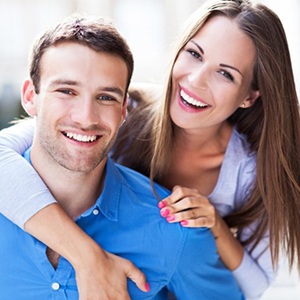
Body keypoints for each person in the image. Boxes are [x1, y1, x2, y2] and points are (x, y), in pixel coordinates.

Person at [1, 0, 300, 299]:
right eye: (194, 54)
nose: (196, 81)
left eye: (226, 74)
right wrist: (88, 258)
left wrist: (215, 225)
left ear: (249, 96)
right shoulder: (126, 105)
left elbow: (251, 286)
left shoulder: (254, 173)